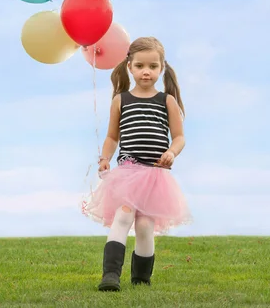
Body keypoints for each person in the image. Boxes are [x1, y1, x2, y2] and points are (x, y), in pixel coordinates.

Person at [82, 36, 193, 291]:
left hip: (155, 175)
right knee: (123, 218)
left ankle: (141, 279)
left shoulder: (167, 101)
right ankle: (110, 275)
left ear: (161, 68)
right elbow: (112, 136)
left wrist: (172, 153)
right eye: (140, 66)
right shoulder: (121, 100)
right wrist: (104, 159)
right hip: (128, 173)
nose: (146, 71)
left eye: (153, 66)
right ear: (129, 66)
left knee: (145, 226)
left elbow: (179, 137)